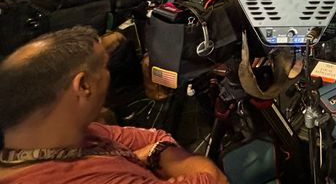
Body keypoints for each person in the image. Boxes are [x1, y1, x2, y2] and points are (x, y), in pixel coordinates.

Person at [0, 26, 227, 184]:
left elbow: (155, 137)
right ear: (84, 85)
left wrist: (155, 151)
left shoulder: (71, 134)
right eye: (104, 67)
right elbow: (214, 179)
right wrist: (150, 157)